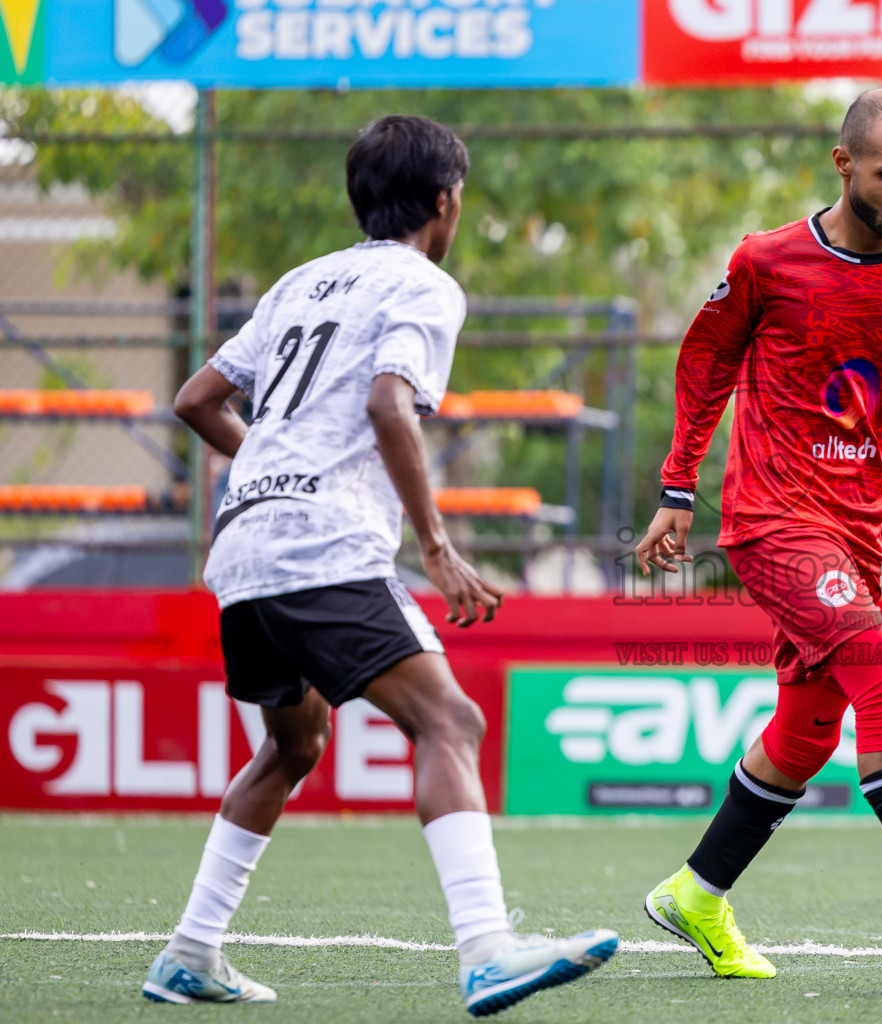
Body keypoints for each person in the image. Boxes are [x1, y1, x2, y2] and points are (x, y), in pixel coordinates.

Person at [145, 115, 616, 1014]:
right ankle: (487, 950)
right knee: (452, 722)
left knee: (293, 743)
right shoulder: (426, 285)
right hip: (322, 546)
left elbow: (196, 400)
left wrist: (273, 473)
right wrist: (437, 548)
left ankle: (190, 952)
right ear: (445, 201)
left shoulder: (301, 281)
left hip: (244, 544)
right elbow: (389, 404)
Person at [632, 88, 882, 978]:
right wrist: (678, 486)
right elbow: (707, 363)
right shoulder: (766, 262)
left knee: (807, 730)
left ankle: (694, 893)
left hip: (857, 535)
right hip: (772, 522)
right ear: (844, 165)